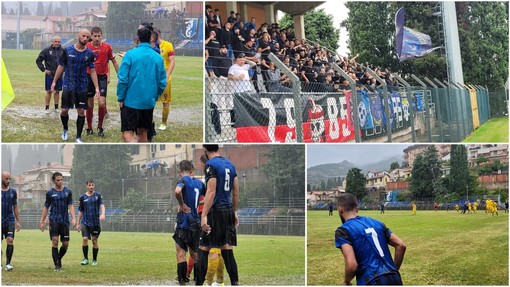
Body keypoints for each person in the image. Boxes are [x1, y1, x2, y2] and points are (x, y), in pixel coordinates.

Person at [335, 193, 406, 285]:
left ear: (340, 209)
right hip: (394, 278)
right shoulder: (377, 223)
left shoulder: (343, 230)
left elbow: (352, 265)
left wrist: (346, 281)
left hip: (370, 280)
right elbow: (401, 245)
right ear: (357, 209)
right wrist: (393, 269)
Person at [196, 145, 240, 286]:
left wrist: (204, 215)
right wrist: (234, 211)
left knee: (203, 247)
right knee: (227, 248)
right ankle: (235, 283)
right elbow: (236, 190)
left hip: (215, 211)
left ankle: (199, 283)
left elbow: (211, 191)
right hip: (227, 211)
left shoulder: (211, 165)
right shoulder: (230, 164)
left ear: (205, 149)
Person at [116, 26, 167, 142]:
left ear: (137, 39)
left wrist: (120, 97)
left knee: (127, 134)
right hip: (148, 102)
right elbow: (162, 82)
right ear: (150, 39)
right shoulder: (158, 58)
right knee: (143, 133)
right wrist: (154, 96)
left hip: (131, 101)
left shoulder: (129, 55)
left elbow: (122, 79)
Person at [51, 29, 99, 143]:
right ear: (78, 35)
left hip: (82, 87)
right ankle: (65, 129)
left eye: (87, 37)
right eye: (83, 36)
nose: (85, 39)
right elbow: (61, 66)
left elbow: (92, 71)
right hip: (68, 85)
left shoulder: (89, 54)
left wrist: (97, 87)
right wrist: (54, 81)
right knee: (64, 110)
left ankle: (78, 136)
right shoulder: (67, 50)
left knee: (81, 111)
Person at [173, 160, 205, 285]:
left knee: (180, 253)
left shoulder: (183, 180)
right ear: (192, 170)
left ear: (180, 171)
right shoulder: (200, 184)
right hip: (195, 222)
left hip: (184, 222)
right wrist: (197, 204)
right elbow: (208, 197)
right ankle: (197, 280)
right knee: (195, 254)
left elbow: (177, 191)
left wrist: (182, 204)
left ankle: (182, 280)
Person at [85, 27, 120, 137]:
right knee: (90, 103)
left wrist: (120, 76)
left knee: (101, 103)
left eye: (99, 36)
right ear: (91, 36)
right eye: (94, 36)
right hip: (89, 77)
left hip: (102, 78)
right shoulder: (86, 47)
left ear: (101, 36)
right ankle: (89, 128)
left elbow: (113, 61)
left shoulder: (107, 47)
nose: (97, 38)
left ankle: (100, 127)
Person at [39, 172, 76, 272]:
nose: (60, 181)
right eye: (58, 180)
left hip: (64, 221)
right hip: (54, 220)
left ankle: (58, 259)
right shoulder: (50, 193)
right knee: (55, 241)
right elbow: (46, 207)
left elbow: (71, 205)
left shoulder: (68, 191)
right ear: (54, 181)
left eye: (61, 179)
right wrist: (41, 221)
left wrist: (73, 218)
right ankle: (57, 266)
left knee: (65, 244)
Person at [76, 179, 105, 266]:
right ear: (86, 186)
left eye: (92, 185)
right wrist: (78, 223)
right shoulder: (82, 198)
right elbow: (80, 211)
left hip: (95, 223)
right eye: (89, 185)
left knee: (94, 241)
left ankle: (94, 260)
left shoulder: (98, 196)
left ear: (94, 186)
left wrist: (103, 214)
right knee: (85, 239)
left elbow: (102, 206)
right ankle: (85, 259)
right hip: (85, 222)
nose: (91, 187)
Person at [36, 36, 64, 114]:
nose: (57, 43)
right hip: (50, 74)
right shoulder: (47, 50)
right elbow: (38, 60)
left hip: (59, 75)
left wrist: (64, 71)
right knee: (49, 91)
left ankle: (56, 108)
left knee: (57, 91)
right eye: (56, 41)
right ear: (52, 42)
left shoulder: (63, 50)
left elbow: (66, 62)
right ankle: (47, 108)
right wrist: (44, 69)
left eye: (59, 42)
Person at [155, 28, 176, 131]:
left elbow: (172, 62)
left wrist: (167, 75)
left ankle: (163, 123)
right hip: (153, 78)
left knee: (165, 102)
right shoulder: (151, 46)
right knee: (150, 101)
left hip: (164, 78)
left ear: (158, 35)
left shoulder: (168, 45)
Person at [1, 171, 21, 271]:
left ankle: (8, 263)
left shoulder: (13, 192)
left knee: (10, 240)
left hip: (9, 220)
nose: (8, 181)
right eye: (6, 179)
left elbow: (15, 207)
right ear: (1, 179)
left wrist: (18, 221)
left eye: (9, 179)